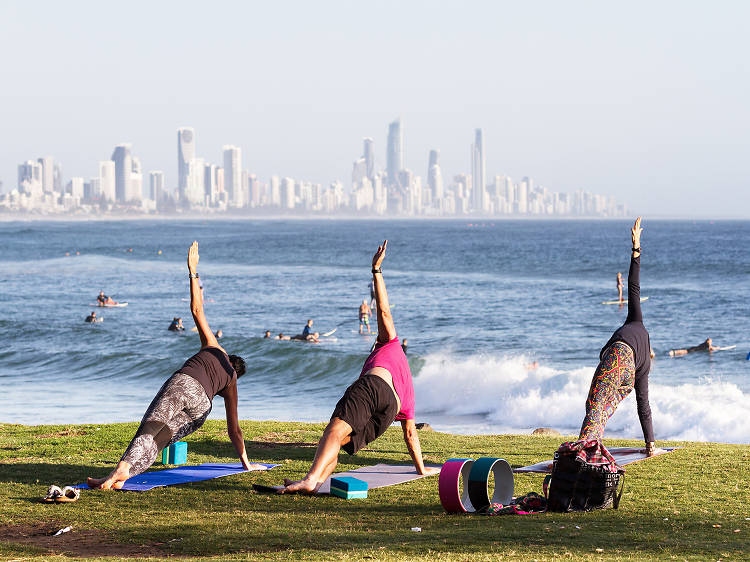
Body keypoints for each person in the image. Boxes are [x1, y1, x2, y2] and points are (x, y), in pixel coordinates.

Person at [86, 241, 255, 489]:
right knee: (159, 440)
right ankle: (123, 477)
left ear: (229, 357)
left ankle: (117, 471)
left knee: (151, 426)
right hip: (201, 409)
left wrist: (193, 271)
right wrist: (245, 462)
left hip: (185, 384)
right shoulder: (230, 381)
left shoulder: (215, 348)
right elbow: (234, 430)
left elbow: (197, 310)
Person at [281, 240, 437, 494]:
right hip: (389, 412)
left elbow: (384, 313)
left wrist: (376, 271)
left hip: (374, 387)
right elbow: (410, 434)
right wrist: (421, 469)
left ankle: (310, 479)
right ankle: (317, 480)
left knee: (334, 429)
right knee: (338, 438)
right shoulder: (408, 385)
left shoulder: (389, 344)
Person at [578, 218, 655, 457]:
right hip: (627, 377)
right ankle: (590, 446)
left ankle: (583, 450)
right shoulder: (645, 366)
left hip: (617, 358)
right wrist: (650, 443)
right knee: (604, 405)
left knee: (595, 403)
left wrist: (636, 248)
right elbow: (643, 405)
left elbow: (634, 286)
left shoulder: (636, 321)